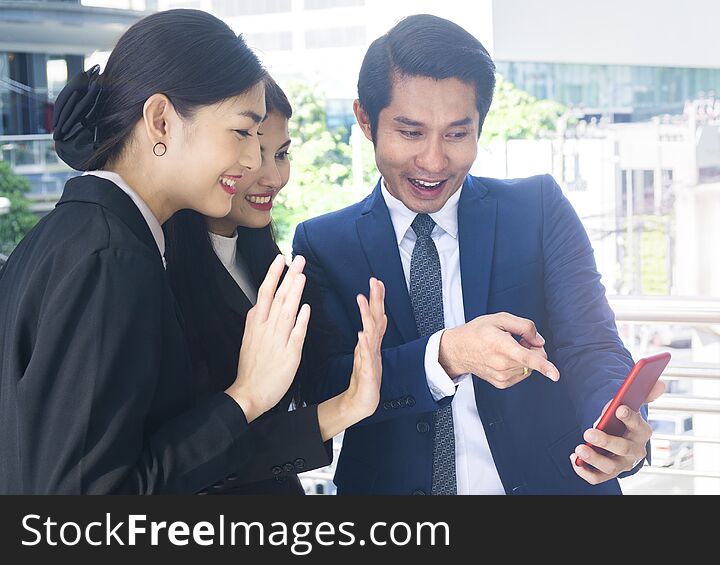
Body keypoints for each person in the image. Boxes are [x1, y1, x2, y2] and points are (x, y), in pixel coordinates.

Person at [0, 9, 383, 494]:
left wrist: (342, 404)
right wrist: (244, 397)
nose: (252, 162)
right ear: (161, 120)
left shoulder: (74, 236)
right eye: (242, 133)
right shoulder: (111, 258)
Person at [293, 14, 664, 495]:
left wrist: (620, 425)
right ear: (366, 120)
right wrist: (445, 355)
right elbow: (323, 389)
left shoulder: (539, 209)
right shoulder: (323, 244)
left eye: (455, 133)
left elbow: (591, 344)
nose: (433, 160)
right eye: (410, 133)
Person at [164, 77, 387, 494]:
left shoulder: (271, 266)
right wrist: (342, 409)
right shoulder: (159, 273)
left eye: (281, 154)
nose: (272, 176)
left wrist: (355, 396)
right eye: (249, 150)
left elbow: (260, 436)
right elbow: (190, 465)